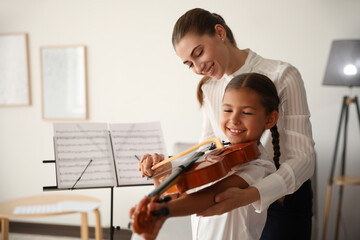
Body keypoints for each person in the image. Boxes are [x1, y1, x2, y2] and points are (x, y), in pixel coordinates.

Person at [139, 8, 315, 240]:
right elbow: (210, 147)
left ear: (220, 32)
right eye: (189, 64)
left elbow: (303, 158)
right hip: (234, 191)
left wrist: (253, 194)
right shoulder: (209, 87)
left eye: (199, 53)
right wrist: (170, 165)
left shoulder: (283, 75)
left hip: (284, 196)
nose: (198, 68)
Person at [131, 73, 280, 240]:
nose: (234, 119)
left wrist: (163, 211)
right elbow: (173, 193)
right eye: (228, 110)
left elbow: (213, 195)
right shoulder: (214, 154)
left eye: (246, 112)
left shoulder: (261, 166)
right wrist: (158, 169)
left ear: (270, 119)